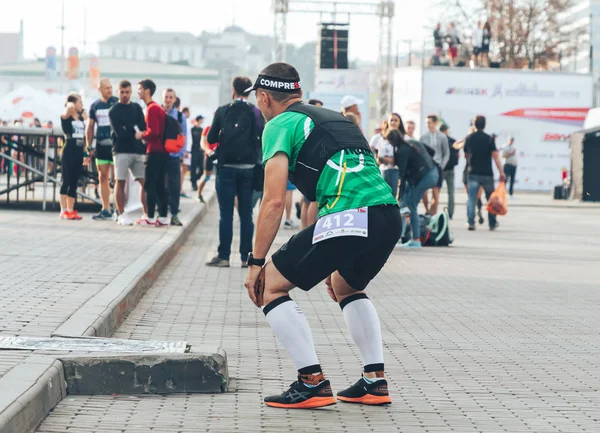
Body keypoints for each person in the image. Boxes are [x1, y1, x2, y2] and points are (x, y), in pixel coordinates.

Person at [243, 62, 400, 409]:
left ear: (265, 97)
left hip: (351, 218)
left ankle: (311, 382)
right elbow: (334, 187)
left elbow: (273, 201)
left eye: (257, 100)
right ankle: (374, 381)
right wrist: (319, 250)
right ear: (298, 92)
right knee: (345, 285)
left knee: (268, 285)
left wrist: (255, 263)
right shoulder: (338, 120)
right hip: (388, 215)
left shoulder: (279, 125)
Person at [206, 77, 260, 268]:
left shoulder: (223, 110)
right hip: (249, 170)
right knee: (247, 215)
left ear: (233, 90)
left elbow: (211, 137)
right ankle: (246, 258)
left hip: (226, 169)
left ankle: (224, 256)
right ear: (249, 91)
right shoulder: (256, 112)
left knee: (225, 214)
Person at [389, 129, 439, 248]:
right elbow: (431, 152)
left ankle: (416, 240)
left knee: (411, 206)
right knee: (409, 203)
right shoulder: (411, 143)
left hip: (424, 177)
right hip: (432, 172)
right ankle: (406, 237)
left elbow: (402, 174)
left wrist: (398, 197)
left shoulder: (401, 152)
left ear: (392, 141)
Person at [109, 80, 147, 226]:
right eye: (122, 92)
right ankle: (121, 214)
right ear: (117, 92)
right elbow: (120, 133)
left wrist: (128, 127)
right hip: (120, 151)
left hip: (137, 151)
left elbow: (143, 125)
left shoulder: (136, 108)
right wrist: (134, 128)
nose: (124, 95)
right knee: (120, 181)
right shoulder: (113, 110)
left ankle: (146, 214)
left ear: (131, 92)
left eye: (127, 92)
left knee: (144, 182)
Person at [135, 79, 169, 226]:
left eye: (140, 89)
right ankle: (162, 217)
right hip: (162, 151)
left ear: (147, 90)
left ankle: (149, 217)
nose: (138, 92)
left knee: (150, 185)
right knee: (160, 185)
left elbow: (153, 132)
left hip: (154, 151)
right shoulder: (157, 108)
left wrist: (141, 135)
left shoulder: (152, 109)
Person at [464, 115, 505, 231]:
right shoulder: (489, 139)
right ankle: (492, 223)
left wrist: (471, 162)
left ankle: (471, 222)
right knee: (490, 198)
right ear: (484, 125)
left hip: (473, 173)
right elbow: (495, 157)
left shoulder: (469, 138)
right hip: (487, 173)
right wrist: (501, 171)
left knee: (472, 198)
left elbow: (466, 155)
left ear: (474, 124)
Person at [87, 78, 118, 220]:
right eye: (106, 88)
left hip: (116, 145)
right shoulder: (95, 106)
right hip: (101, 145)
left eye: (111, 87)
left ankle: (119, 208)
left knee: (118, 178)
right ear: (99, 89)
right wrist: (89, 145)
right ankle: (105, 208)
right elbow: (90, 126)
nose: (109, 90)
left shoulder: (117, 102)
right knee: (102, 177)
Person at [60, 93, 86, 221]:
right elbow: (68, 109)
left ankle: (71, 209)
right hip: (69, 150)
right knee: (66, 180)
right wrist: (71, 103)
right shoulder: (67, 116)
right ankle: (63, 210)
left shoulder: (81, 117)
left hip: (79, 151)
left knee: (75, 181)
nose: (82, 104)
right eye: (80, 102)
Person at [162, 90, 186, 226]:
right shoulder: (158, 113)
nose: (168, 99)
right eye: (166, 97)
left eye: (171, 97)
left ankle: (175, 214)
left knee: (174, 186)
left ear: (174, 99)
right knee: (161, 186)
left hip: (173, 156)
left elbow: (184, 137)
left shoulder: (180, 116)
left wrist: (180, 154)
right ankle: (162, 214)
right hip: (160, 155)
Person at [420, 114, 449, 216]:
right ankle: (427, 210)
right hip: (426, 167)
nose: (428, 125)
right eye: (427, 123)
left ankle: (433, 214)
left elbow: (446, 153)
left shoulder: (442, 136)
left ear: (435, 123)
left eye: (430, 122)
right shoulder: (423, 137)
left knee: (436, 193)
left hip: (437, 166)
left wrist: (442, 165)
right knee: (424, 191)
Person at [377, 113, 405, 200]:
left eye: (396, 120)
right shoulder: (382, 138)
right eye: (391, 120)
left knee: (394, 195)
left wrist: (394, 160)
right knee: (383, 195)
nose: (393, 122)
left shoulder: (404, 138)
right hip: (384, 170)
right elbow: (379, 157)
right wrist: (388, 160)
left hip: (397, 171)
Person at [439, 124, 458, 219]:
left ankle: (433, 211)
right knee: (451, 192)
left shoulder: (439, 140)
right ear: (446, 130)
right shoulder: (453, 141)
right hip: (451, 169)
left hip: (441, 169)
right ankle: (451, 212)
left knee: (436, 191)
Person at [190, 115, 204, 193]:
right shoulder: (192, 129)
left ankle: (195, 178)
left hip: (200, 151)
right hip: (194, 151)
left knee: (201, 169)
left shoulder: (202, 130)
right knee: (193, 168)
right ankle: (193, 183)